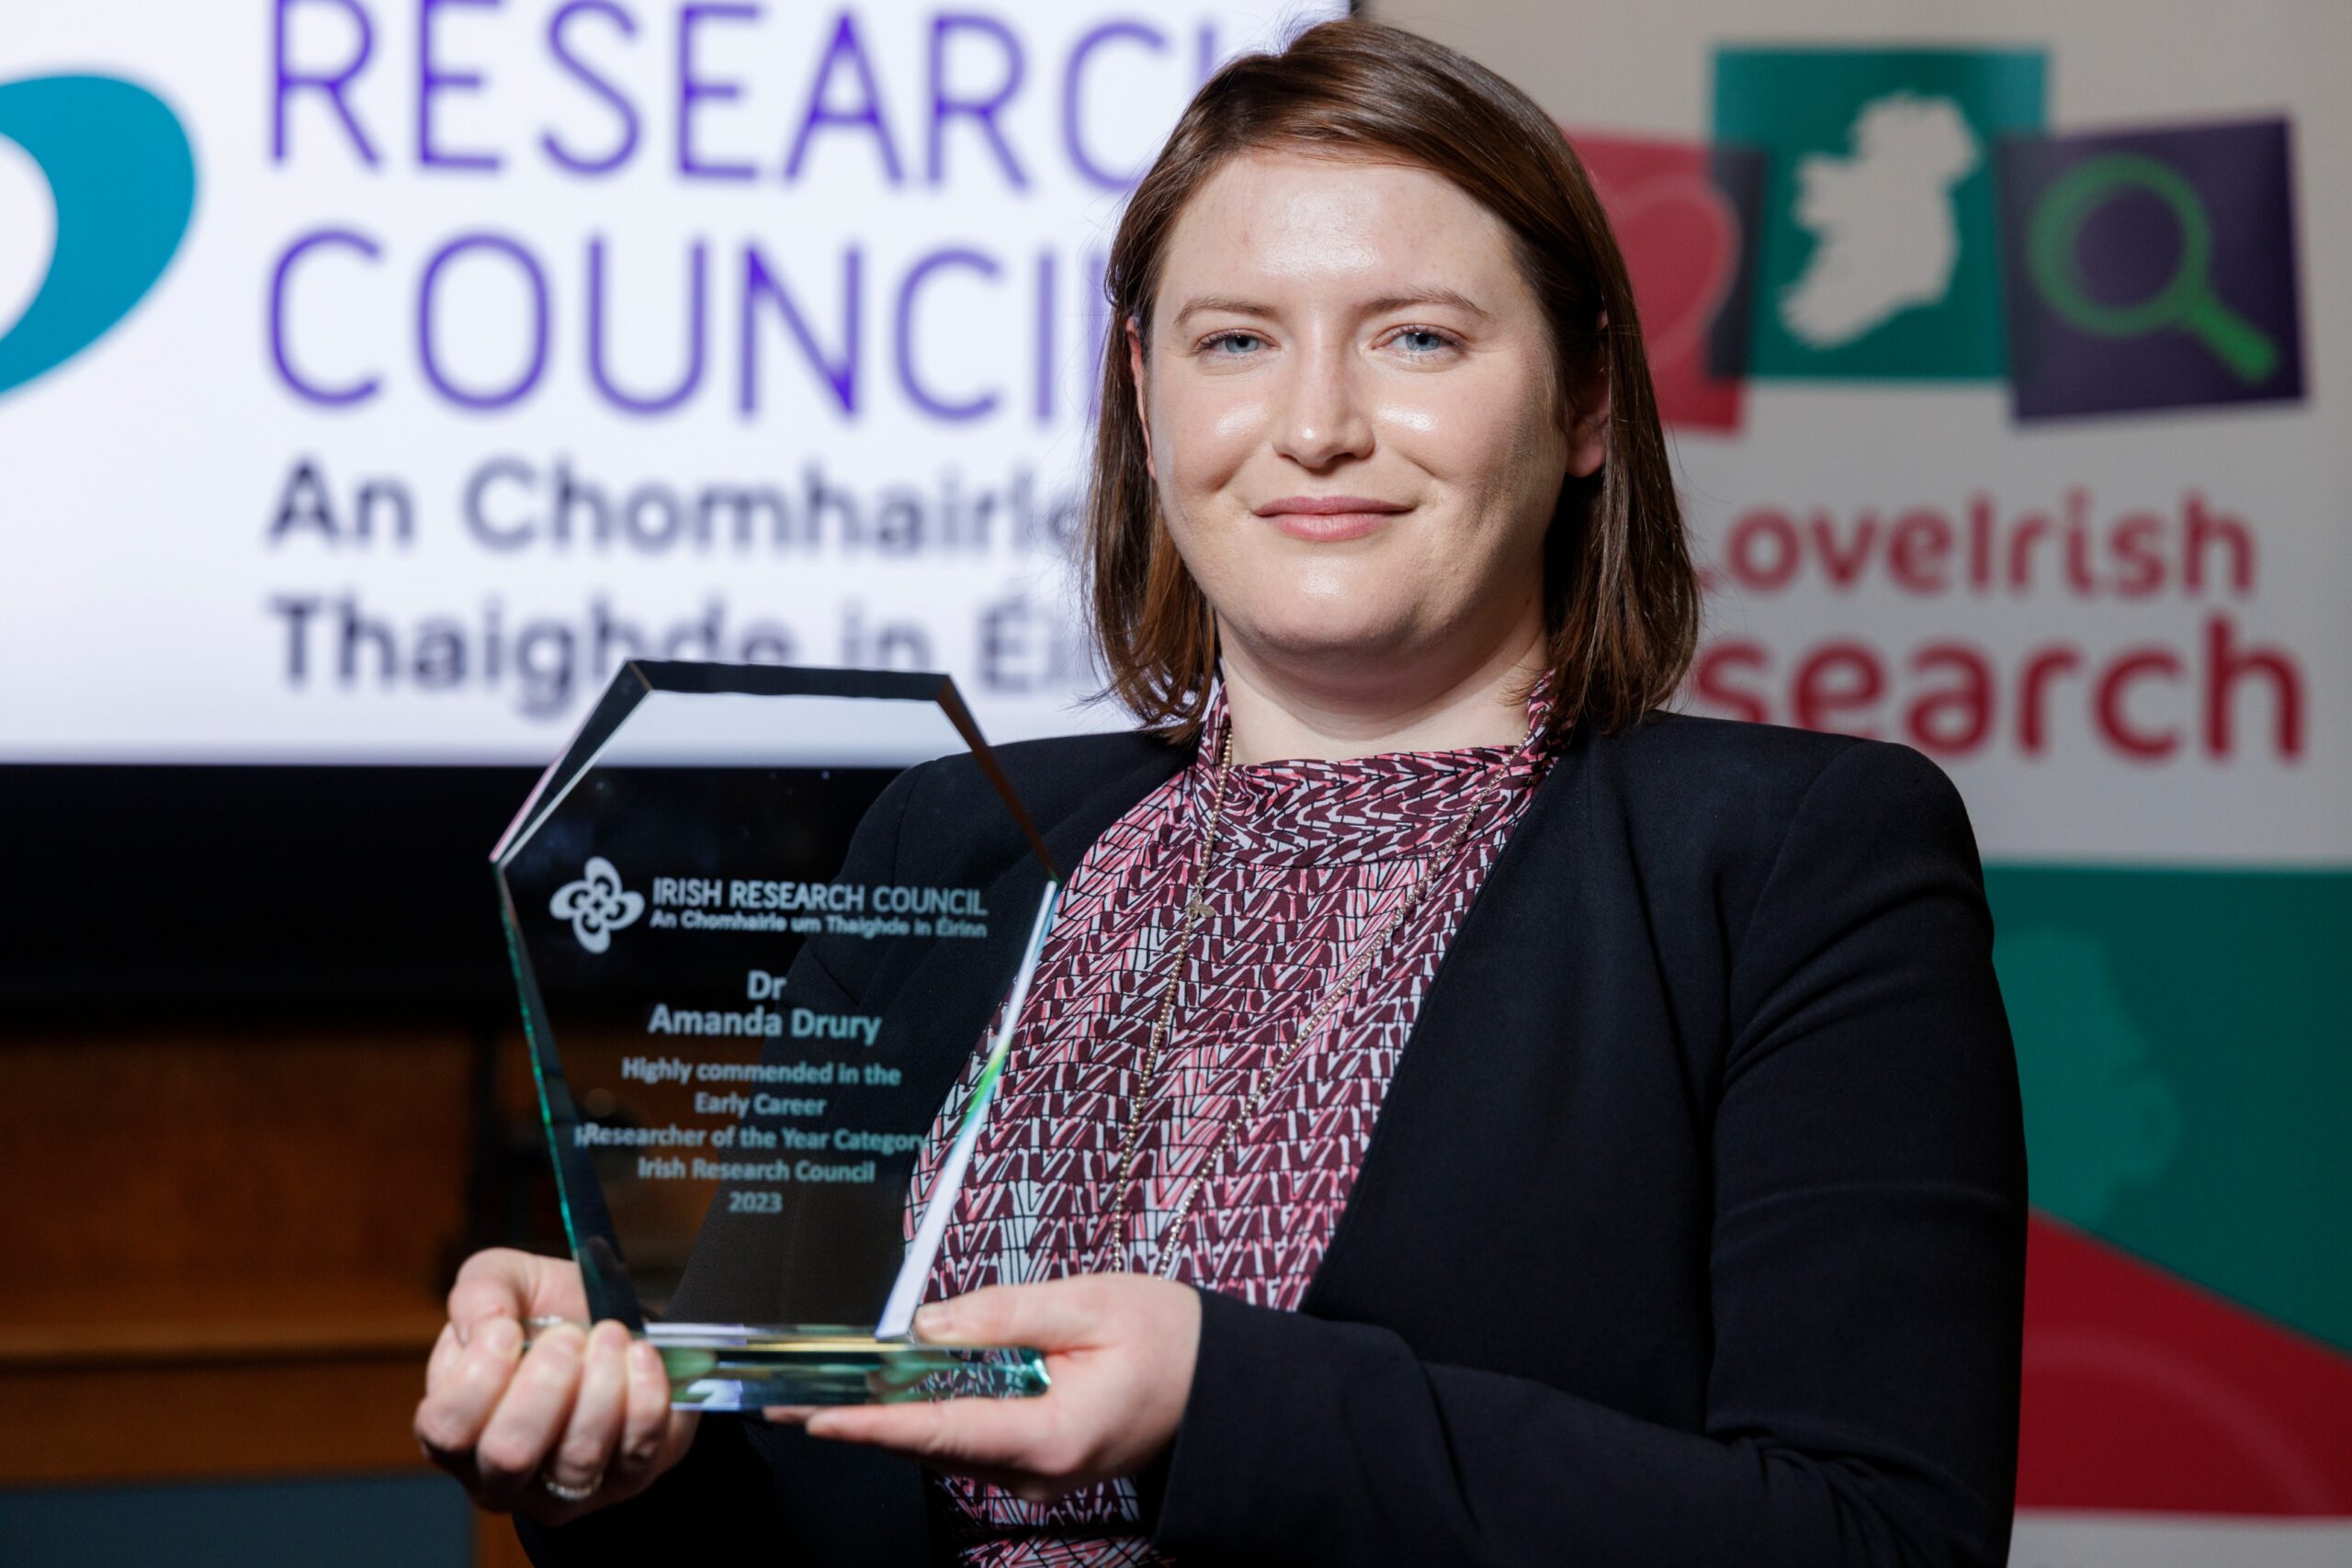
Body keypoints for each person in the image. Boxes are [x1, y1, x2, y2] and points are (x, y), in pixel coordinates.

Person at [413, 17, 2027, 1565]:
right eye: (1237, 341)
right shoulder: (943, 838)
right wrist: (613, 1446)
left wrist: (1220, 1402)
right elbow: (778, 1493)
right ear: (1145, 390)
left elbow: (1878, 1535)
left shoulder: (1798, 860)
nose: (1315, 427)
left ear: (1586, 400)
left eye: (1417, 339)